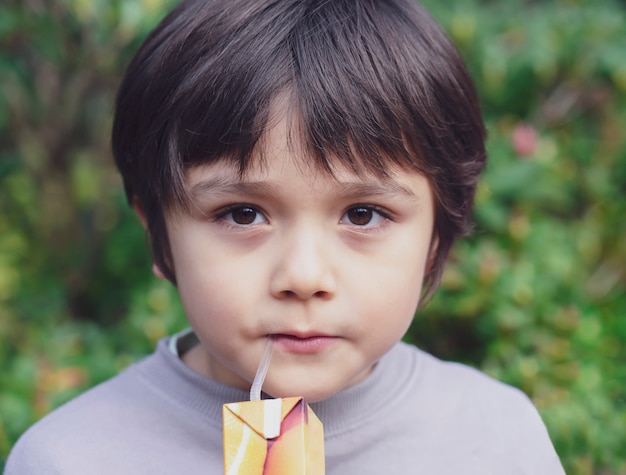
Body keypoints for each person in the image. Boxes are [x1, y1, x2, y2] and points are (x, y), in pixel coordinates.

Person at [5, 0, 566, 473]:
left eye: (364, 215)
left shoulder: (497, 441)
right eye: (243, 214)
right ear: (159, 236)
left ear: (437, 240)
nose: (303, 277)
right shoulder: (68, 459)